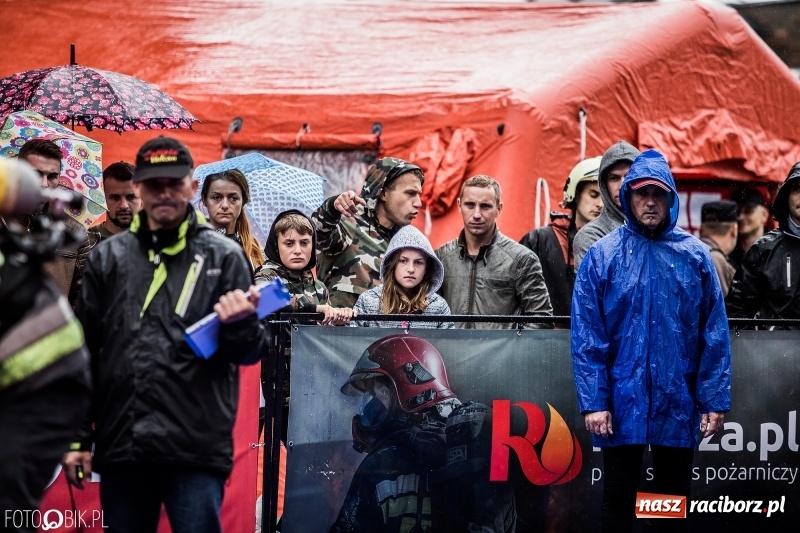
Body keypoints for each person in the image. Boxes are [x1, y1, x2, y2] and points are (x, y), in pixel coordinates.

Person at [62, 136, 269, 533]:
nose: (164, 193)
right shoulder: (108, 257)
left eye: (174, 183)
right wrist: (77, 438)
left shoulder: (225, 257)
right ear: (139, 187)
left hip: (195, 445)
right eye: (154, 184)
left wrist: (241, 324)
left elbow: (249, 351)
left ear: (191, 187)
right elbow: (85, 353)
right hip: (124, 443)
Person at [571, 149, 731, 533]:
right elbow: (588, 336)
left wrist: (713, 399)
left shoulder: (695, 256)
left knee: (670, 500)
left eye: (658, 193)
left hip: (676, 398)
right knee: (618, 497)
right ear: (627, 196)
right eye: (641, 193)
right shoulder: (602, 256)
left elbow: (714, 333)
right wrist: (595, 402)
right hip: (620, 400)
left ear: (670, 198)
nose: (649, 201)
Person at [331, 334, 514, 533]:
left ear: (411, 385)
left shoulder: (380, 464)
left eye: (381, 393)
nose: (373, 406)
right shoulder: (484, 447)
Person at [0, 158, 91, 532]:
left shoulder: (30, 247)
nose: (45, 182)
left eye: (52, 175)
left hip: (37, 398)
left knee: (11, 510)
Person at [436, 175, 552, 329]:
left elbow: (541, 321)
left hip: (501, 347)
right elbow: (427, 314)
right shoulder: (441, 258)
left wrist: (508, 344)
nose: (477, 214)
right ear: (459, 205)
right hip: (450, 346)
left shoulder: (521, 260)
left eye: (485, 206)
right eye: (470, 205)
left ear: (499, 208)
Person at [312, 157, 424, 308]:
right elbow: (315, 235)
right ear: (383, 193)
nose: (418, 203)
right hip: (342, 323)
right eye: (410, 193)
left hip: (387, 323)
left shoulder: (405, 239)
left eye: (419, 194)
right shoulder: (348, 223)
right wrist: (331, 208)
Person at [15, 139, 96, 308]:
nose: (44, 184)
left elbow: (81, 298)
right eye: (36, 174)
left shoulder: (75, 233)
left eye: (52, 176)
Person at [519, 156, 603, 317]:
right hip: (546, 332)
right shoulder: (539, 241)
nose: (600, 204)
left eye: (605, 197)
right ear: (576, 195)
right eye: (593, 195)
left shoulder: (618, 244)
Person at [727, 163, 800, 323]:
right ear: (786, 196)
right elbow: (737, 311)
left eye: (748, 211)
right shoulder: (764, 249)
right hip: (777, 340)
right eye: (796, 188)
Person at [353, 224, 453, 329]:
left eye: (418, 262)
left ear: (427, 269)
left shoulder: (438, 306)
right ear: (392, 264)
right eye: (403, 261)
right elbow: (352, 337)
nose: (411, 269)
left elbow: (449, 339)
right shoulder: (369, 301)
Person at [573, 141, 640, 270]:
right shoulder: (592, 236)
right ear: (604, 185)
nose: (622, 185)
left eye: (629, 176)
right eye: (614, 178)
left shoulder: (661, 229)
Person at [200, 168, 265, 270]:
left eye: (233, 198)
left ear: (243, 201)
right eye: (217, 197)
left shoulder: (254, 249)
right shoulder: (194, 243)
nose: (225, 205)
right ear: (204, 199)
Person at [88, 161, 141, 240]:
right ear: (103, 199)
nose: (124, 206)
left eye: (131, 197)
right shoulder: (84, 242)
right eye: (115, 197)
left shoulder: (156, 241)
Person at [698, 200, 738, 297]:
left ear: (701, 229)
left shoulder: (689, 252)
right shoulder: (715, 260)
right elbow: (722, 305)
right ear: (734, 230)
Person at [729, 186, 770, 269]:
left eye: (748, 211)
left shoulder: (777, 249)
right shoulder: (728, 251)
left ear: (764, 215)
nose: (740, 216)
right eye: (736, 212)